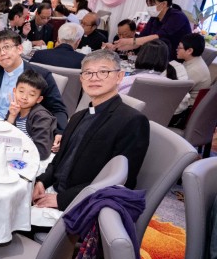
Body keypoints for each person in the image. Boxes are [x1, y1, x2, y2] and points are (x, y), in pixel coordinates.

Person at [33, 50, 150, 211]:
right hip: (54, 191)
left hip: (85, 205)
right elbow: (59, 159)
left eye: (103, 72)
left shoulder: (132, 121)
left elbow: (121, 180)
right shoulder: (78, 116)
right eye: (88, 73)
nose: (94, 78)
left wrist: (62, 200)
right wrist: (42, 181)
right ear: (81, 79)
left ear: (119, 76)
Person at [0, 29, 68, 137]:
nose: (2, 53)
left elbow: (58, 109)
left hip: (24, 133)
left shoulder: (41, 75)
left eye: (7, 47)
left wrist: (59, 132)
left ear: (19, 49)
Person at [115, 0, 192, 57]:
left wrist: (128, 41)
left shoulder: (177, 16)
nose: (149, 7)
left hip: (176, 57)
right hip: (159, 55)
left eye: (152, 5)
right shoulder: (154, 17)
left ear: (164, 4)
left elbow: (157, 36)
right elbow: (140, 39)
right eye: (148, 5)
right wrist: (116, 47)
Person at [6, 70, 56, 160]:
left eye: (31, 94)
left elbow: (42, 152)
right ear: (14, 91)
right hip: (17, 154)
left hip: (36, 160)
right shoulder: (15, 107)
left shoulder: (41, 117)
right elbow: (6, 137)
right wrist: (12, 116)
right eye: (21, 91)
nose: (24, 97)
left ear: (39, 99)